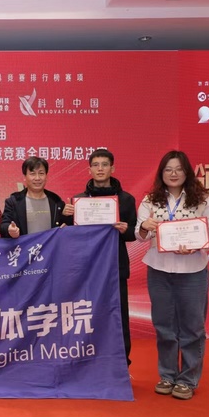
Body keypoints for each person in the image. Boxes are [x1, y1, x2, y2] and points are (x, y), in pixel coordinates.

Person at [135, 150, 209, 400]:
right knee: (164, 326)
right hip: (159, 270)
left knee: (193, 328)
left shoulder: (202, 200)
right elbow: (140, 235)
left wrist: (198, 245)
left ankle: (188, 380)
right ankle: (167, 375)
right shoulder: (150, 200)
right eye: (168, 169)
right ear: (161, 173)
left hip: (192, 271)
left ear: (187, 172)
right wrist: (144, 226)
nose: (173, 174)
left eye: (179, 169)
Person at [71, 149, 137, 366]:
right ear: (89, 169)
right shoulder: (79, 201)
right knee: (89, 316)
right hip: (88, 269)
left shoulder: (126, 200)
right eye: (96, 165)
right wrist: (66, 217)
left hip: (116, 267)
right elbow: (73, 236)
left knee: (119, 317)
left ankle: (121, 364)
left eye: (105, 164)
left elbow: (133, 234)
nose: (100, 169)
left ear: (112, 168)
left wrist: (125, 230)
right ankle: (89, 364)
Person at [0, 156, 70, 238]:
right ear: (24, 177)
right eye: (32, 174)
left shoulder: (55, 201)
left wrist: (67, 217)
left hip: (50, 246)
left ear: (46, 176)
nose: (37, 178)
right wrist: (10, 230)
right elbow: (3, 225)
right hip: (24, 246)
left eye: (41, 173)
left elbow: (66, 226)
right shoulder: (14, 201)